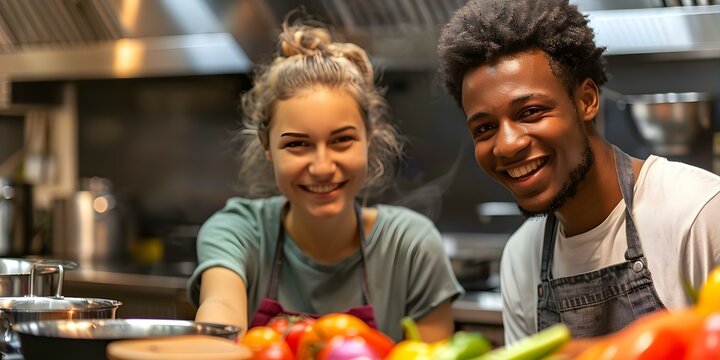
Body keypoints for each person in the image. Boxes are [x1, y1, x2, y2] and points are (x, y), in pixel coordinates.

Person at [437, 0, 720, 344]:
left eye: (531, 111)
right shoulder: (521, 258)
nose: (507, 145)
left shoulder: (698, 214)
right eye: (484, 129)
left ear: (586, 101)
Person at [187, 20, 463, 342]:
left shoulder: (410, 246)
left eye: (341, 140)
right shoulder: (237, 233)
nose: (321, 167)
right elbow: (220, 313)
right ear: (267, 148)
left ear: (368, 139)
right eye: (297, 144)